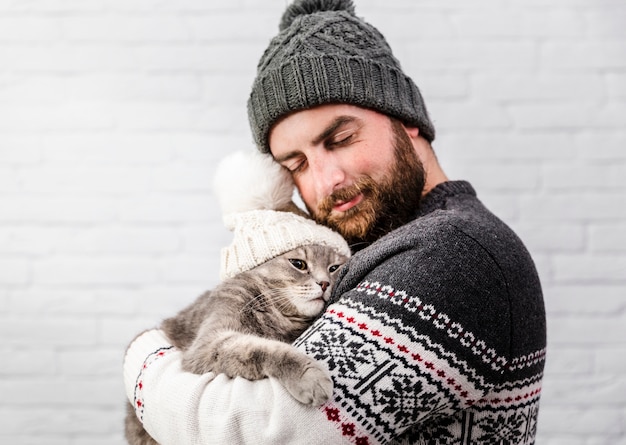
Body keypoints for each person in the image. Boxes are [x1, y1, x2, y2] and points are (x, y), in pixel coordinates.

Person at [123, 1, 546, 444]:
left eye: (341, 139)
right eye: (298, 163)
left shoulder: (452, 255)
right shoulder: (374, 249)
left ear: (407, 121)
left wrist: (142, 352)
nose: (327, 180)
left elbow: (237, 429)